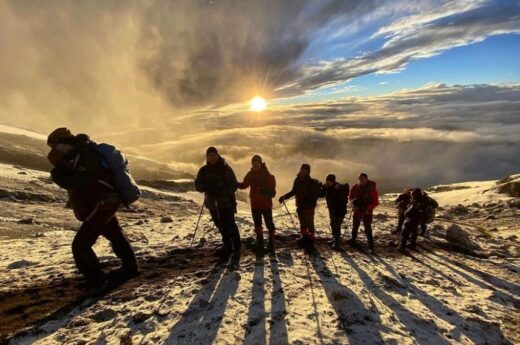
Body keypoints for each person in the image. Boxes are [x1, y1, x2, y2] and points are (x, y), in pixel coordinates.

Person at [47, 128, 138, 289]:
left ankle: (96, 281)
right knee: (114, 233)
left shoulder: (86, 156)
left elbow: (80, 183)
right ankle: (130, 268)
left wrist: (58, 169)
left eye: (54, 146)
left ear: (63, 143)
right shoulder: (79, 154)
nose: (53, 151)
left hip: (102, 204)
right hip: (104, 202)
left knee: (80, 246)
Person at [195, 147, 241, 269]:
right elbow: (197, 185)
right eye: (209, 155)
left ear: (217, 155)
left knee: (230, 224)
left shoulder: (225, 168)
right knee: (219, 225)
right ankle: (227, 246)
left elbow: (233, 185)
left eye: (214, 155)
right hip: (212, 204)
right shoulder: (203, 171)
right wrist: (206, 187)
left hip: (226, 203)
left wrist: (222, 191)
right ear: (207, 157)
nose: (212, 157)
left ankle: (237, 247)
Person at [238, 155, 277, 253]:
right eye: (254, 163)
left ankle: (271, 242)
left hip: (265, 204)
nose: (255, 165)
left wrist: (264, 191)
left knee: (269, 223)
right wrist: (234, 183)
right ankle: (261, 241)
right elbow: (244, 185)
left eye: (257, 163)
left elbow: (272, 191)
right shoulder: (250, 174)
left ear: (260, 163)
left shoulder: (267, 175)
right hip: (256, 204)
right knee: (258, 224)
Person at [279, 164, 322, 247]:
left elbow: (313, 195)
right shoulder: (297, 180)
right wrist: (284, 197)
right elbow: (293, 191)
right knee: (302, 223)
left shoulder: (311, 182)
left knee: (309, 223)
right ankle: (304, 236)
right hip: (300, 205)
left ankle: (311, 238)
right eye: (302, 170)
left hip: (309, 206)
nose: (303, 172)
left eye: (305, 171)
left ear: (308, 172)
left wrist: (308, 201)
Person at [348, 173, 379, 255]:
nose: (361, 180)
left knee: (368, 229)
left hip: (367, 212)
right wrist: (353, 202)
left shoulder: (371, 188)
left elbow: (376, 202)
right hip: (357, 210)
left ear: (366, 179)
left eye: (362, 179)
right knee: (355, 226)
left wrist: (369, 207)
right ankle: (353, 240)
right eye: (359, 179)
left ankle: (371, 246)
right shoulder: (355, 187)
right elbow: (350, 197)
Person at [320, 174, 349, 251]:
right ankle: (334, 239)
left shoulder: (338, 188)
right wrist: (320, 187)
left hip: (340, 210)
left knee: (337, 225)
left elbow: (343, 201)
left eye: (329, 181)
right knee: (333, 224)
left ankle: (337, 243)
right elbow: (321, 195)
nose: (327, 182)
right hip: (332, 209)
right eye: (326, 181)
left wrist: (338, 210)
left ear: (333, 181)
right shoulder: (326, 187)